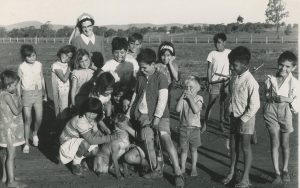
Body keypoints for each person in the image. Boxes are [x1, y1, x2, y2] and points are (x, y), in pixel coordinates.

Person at [125, 48, 184, 187]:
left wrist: (157, 118)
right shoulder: (139, 77)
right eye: (140, 67)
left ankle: (177, 172)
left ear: (153, 64)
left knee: (166, 138)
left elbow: (163, 100)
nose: (142, 70)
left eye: (145, 67)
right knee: (148, 140)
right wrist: (128, 114)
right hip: (143, 116)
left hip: (161, 115)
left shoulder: (160, 77)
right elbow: (135, 96)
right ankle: (156, 169)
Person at [222, 46, 260, 188]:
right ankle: (232, 172)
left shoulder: (251, 82)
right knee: (232, 146)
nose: (232, 67)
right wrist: (228, 109)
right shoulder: (234, 78)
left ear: (245, 65)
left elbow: (255, 105)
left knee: (245, 148)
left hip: (246, 119)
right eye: (231, 64)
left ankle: (245, 178)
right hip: (234, 116)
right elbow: (232, 96)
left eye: (235, 65)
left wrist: (243, 119)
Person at [59, 97, 121, 176]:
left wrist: (105, 134)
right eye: (89, 112)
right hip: (66, 141)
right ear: (84, 110)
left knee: (95, 151)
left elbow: (95, 131)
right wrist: (109, 138)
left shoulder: (91, 119)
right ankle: (75, 164)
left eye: (94, 113)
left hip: (77, 139)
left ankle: (82, 160)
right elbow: (91, 140)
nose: (91, 115)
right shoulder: (80, 120)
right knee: (86, 144)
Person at [263, 51, 299, 184]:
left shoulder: (294, 82)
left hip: (285, 112)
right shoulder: (270, 79)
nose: (283, 69)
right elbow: (265, 95)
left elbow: (297, 102)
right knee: (274, 141)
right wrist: (269, 98)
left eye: (288, 66)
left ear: (293, 68)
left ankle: (285, 170)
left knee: (284, 143)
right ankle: (277, 172)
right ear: (278, 64)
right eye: (281, 65)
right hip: (271, 110)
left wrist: (286, 99)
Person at [18, 44, 47, 153]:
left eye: (34, 55)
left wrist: (45, 93)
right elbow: (18, 83)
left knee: (39, 117)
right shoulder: (21, 67)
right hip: (26, 94)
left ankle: (34, 133)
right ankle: (26, 143)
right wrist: (19, 96)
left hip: (38, 93)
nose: (32, 58)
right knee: (27, 119)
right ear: (24, 57)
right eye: (29, 56)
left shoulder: (39, 64)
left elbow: (42, 78)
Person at [0, 70, 27, 188]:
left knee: (6, 154)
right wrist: (22, 103)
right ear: (8, 85)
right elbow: (16, 111)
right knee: (11, 155)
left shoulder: (2, 93)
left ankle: (6, 177)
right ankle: (11, 182)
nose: (16, 87)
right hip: (10, 130)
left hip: (4, 129)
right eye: (15, 85)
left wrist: (15, 93)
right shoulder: (7, 96)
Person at [175, 76, 203, 176]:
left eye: (191, 87)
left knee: (194, 149)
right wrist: (182, 97)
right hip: (183, 127)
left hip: (194, 129)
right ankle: (182, 167)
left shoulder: (199, 98)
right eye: (186, 87)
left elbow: (196, 110)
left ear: (197, 88)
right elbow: (177, 109)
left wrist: (190, 98)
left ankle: (194, 167)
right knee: (183, 150)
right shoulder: (183, 98)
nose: (188, 90)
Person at [204, 33, 231, 132]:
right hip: (214, 82)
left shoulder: (229, 52)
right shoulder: (212, 54)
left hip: (226, 82)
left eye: (219, 42)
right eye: (215, 42)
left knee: (223, 104)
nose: (217, 44)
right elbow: (209, 69)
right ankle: (205, 124)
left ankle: (221, 124)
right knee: (210, 104)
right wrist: (209, 82)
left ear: (224, 42)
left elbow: (233, 65)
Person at [51, 45, 76, 120]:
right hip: (63, 91)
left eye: (69, 57)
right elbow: (64, 79)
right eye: (65, 55)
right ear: (61, 52)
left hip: (71, 90)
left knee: (71, 110)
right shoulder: (56, 65)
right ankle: (61, 127)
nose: (66, 58)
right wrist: (69, 67)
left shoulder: (68, 64)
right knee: (63, 111)